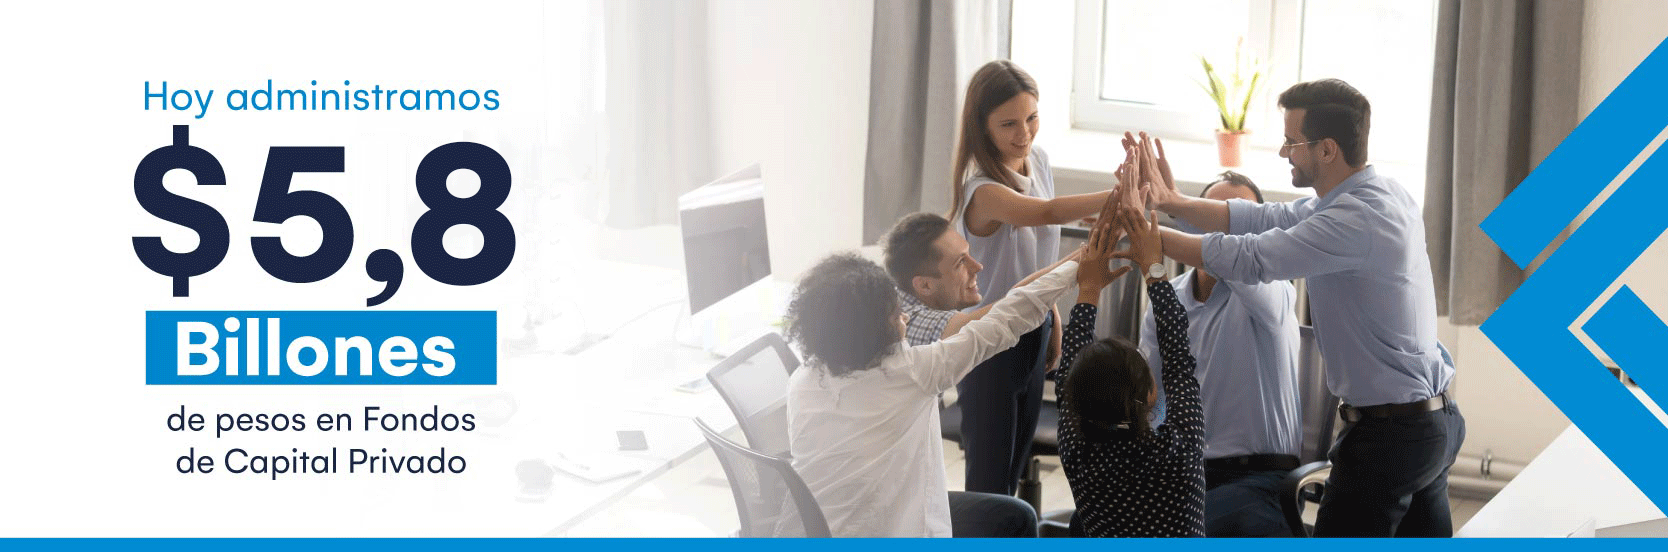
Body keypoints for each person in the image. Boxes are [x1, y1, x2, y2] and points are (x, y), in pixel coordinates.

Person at [1132, 78, 1465, 537]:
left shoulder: (1356, 219)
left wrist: (1151, 240)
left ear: (1327, 149)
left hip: (1391, 437)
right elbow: (1265, 218)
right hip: (1427, 423)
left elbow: (1251, 257)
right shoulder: (1371, 196)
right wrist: (1173, 203)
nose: (1284, 152)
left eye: (1292, 142)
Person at [783, 248, 1081, 537]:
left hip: (810, 530)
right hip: (887, 528)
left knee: (1014, 515)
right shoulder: (911, 373)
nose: (906, 318)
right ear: (871, 329)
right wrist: (1081, 265)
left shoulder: (802, 378)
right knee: (1016, 519)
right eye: (896, 313)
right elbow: (1006, 319)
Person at [949, 59, 1118, 495]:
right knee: (989, 485)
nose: (1024, 133)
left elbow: (1036, 256)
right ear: (981, 126)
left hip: (1033, 326)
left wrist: (1052, 315)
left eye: (1032, 117)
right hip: (990, 342)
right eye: (1008, 123)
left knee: (1012, 472)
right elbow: (1043, 214)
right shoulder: (982, 189)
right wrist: (1122, 194)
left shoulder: (1037, 160)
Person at [1136, 171, 1302, 537]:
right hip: (1185, 472)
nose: (1225, 236)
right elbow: (1149, 399)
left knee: (1181, 529)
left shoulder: (1274, 290)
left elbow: (1235, 260)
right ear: (1192, 226)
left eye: (1237, 226)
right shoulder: (1169, 297)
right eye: (1213, 220)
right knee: (1088, 521)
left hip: (1261, 478)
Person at [1056, 195, 1205, 538]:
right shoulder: (1177, 451)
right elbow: (1179, 360)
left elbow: (1177, 361)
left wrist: (1089, 287)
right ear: (1151, 394)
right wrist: (1152, 265)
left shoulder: (1076, 450)